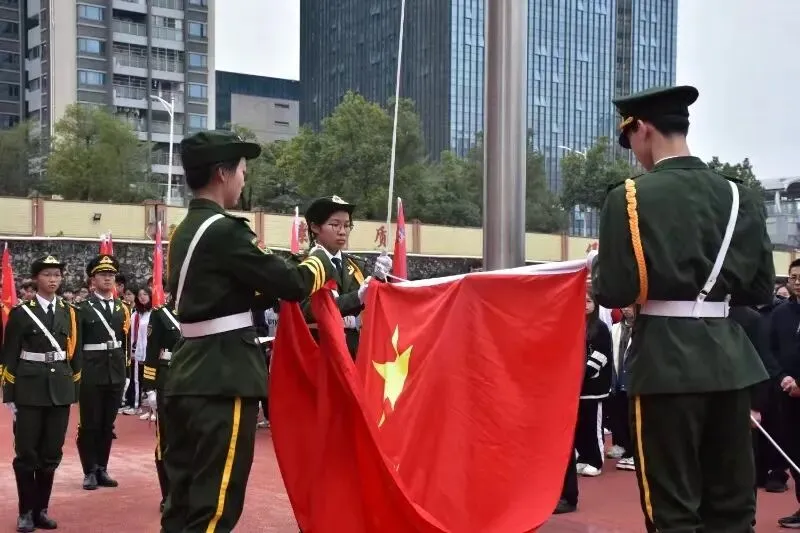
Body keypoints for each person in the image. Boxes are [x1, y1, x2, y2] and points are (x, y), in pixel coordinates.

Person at [590, 85, 775, 532]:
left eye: (630, 140)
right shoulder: (739, 196)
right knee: (732, 506)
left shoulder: (629, 197)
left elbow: (613, 290)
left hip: (664, 367)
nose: (634, 153)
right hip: (731, 367)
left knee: (672, 509)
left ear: (644, 129)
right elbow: (760, 287)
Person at [161, 130, 345, 532]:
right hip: (222, 377)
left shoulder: (185, 231)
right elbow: (293, 284)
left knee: (181, 502)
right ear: (223, 173)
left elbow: (228, 293)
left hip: (188, 372)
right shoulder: (225, 230)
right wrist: (321, 261)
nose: (244, 180)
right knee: (214, 505)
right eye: (243, 171)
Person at [1, 255, 80, 532]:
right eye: (47, 274)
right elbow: (9, 354)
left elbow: (75, 353)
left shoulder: (69, 312)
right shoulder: (22, 314)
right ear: (36, 279)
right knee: (26, 453)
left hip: (59, 390)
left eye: (57, 274)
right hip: (29, 389)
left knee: (51, 453)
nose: (53, 279)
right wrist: (9, 394)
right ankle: (25, 512)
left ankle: (41, 510)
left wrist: (74, 388)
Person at [298, 195, 391, 359]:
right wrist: (357, 297)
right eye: (335, 225)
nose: (342, 231)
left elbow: (376, 306)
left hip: (356, 355)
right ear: (315, 227)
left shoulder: (357, 266)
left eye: (347, 225)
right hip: (321, 356)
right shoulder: (303, 266)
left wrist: (380, 279)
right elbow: (308, 310)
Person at [75, 254, 130, 491]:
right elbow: (76, 344)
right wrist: (76, 374)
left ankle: (102, 468)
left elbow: (125, 342)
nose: (108, 278)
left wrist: (125, 372)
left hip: (115, 372)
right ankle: (89, 470)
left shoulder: (122, 307)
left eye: (111, 275)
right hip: (91, 372)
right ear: (92, 279)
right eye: (102, 275)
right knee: (90, 424)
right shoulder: (81, 308)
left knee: (108, 424)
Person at [142, 293, 181, 514]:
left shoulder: (200, 310)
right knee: (167, 439)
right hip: (167, 378)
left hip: (193, 379)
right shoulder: (160, 315)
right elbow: (151, 350)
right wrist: (150, 387)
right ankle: (168, 494)